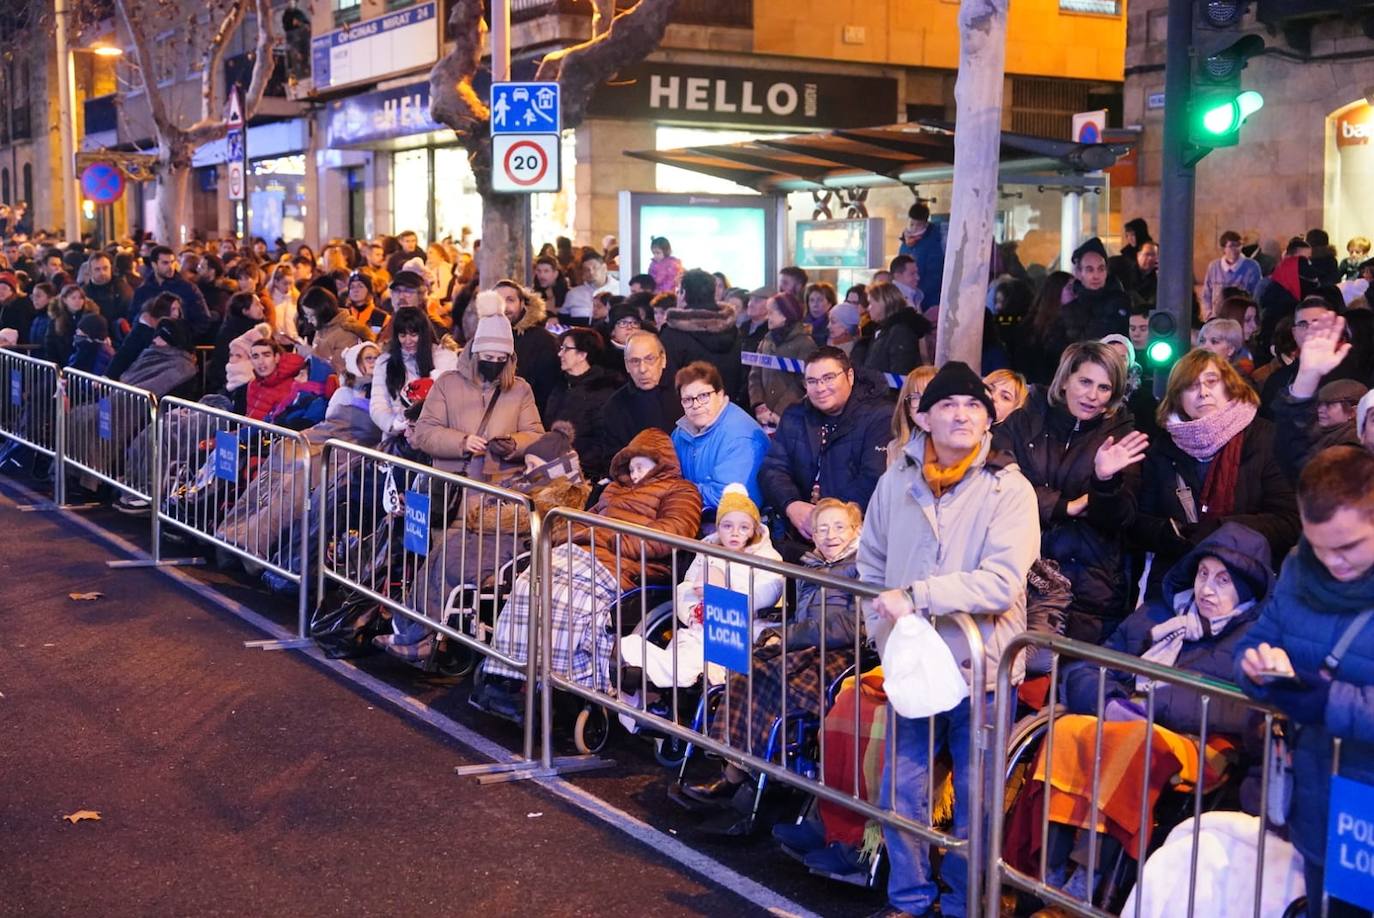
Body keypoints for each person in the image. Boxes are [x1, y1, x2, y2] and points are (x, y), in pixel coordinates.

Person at [858, 360, 1039, 918]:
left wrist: (918, 596)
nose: (962, 414)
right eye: (949, 405)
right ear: (924, 416)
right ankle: (909, 900)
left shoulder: (1009, 486)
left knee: (978, 805)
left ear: (989, 421)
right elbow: (871, 564)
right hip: (914, 667)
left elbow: (1002, 581)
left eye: (974, 407)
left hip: (980, 666)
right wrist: (886, 637)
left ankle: (966, 906)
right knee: (900, 790)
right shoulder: (896, 479)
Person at [1041, 522, 1273, 904]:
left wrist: (1151, 704)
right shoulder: (1160, 615)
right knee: (1067, 729)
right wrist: (1112, 704)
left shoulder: (1256, 640)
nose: (1206, 589)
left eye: (1223, 581)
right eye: (1202, 574)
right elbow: (1090, 666)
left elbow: (1238, 709)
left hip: (1198, 743)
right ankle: (1046, 868)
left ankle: (1090, 876)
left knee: (1133, 743)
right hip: (1124, 721)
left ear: (1247, 590)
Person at [1236, 447, 1374, 918]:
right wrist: (1257, 668)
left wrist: (1330, 702)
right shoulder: (1298, 567)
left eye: (1349, 546)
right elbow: (1255, 640)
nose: (1333, 561)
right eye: (1319, 545)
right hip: (1319, 795)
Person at [479, 428, 702, 703]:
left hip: (626, 566)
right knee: (530, 583)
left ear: (660, 463)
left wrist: (610, 538)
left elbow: (673, 533)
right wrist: (564, 535)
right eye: (630, 468)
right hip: (584, 553)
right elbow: (586, 520)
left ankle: (553, 685)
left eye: (640, 466)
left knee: (566, 600)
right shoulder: (614, 489)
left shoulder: (681, 491)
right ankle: (512, 672)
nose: (633, 475)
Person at [680, 499, 863, 818]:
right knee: (744, 667)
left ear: (856, 530)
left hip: (841, 653)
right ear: (813, 536)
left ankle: (758, 779)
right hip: (806, 643)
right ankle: (735, 771)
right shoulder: (812, 565)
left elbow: (852, 626)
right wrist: (777, 634)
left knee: (771, 682)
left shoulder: (864, 567)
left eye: (839, 527)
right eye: (822, 529)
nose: (830, 535)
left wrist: (788, 636)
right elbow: (801, 617)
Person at [995, 342, 1145, 643]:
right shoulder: (1024, 422)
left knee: (1069, 681)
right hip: (1019, 576)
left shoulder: (1121, 436)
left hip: (1090, 590)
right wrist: (1063, 506)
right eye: (1085, 382)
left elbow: (1123, 517)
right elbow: (996, 483)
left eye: (1104, 388)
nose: (1093, 395)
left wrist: (1104, 481)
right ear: (1065, 380)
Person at [1133, 349, 1300, 599]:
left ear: (1230, 386)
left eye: (1211, 381)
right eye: (1191, 386)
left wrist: (1221, 530)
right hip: (1174, 584)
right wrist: (1167, 534)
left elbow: (1288, 522)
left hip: (1246, 586)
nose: (1203, 392)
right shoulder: (1164, 447)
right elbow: (1139, 520)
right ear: (1178, 398)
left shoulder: (1266, 439)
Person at [621, 483, 784, 695]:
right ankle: (652, 666)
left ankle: (642, 658)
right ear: (718, 527)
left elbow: (766, 594)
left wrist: (720, 594)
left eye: (743, 527)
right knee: (687, 651)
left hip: (738, 631)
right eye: (727, 526)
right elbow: (686, 588)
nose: (735, 533)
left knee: (691, 663)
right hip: (698, 627)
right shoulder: (707, 551)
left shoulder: (769, 558)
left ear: (754, 528)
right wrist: (691, 612)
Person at [759, 347, 891, 559]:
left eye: (828, 378)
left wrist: (827, 518)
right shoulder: (795, 415)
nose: (820, 387)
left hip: (852, 542)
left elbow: (874, 478)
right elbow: (772, 469)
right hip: (796, 536)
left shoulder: (880, 417)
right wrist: (792, 505)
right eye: (811, 381)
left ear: (849, 376)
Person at [410, 297, 543, 482]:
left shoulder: (520, 389)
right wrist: (462, 442)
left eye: (501, 359)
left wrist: (514, 444)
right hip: (455, 484)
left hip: (501, 489)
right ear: (475, 353)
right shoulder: (447, 384)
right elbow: (424, 433)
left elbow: (535, 435)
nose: (494, 363)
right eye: (488, 356)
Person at [1272, 312, 1369, 480]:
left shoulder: (1347, 445)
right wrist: (1307, 376)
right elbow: (1295, 457)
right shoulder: (1343, 457)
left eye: (1330, 404)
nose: (1322, 410)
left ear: (1353, 411)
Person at [672, 361, 770, 514]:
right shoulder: (680, 433)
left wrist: (675, 490)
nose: (696, 405)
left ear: (720, 394)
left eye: (704, 396)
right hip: (693, 513)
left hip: (737, 526)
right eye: (688, 399)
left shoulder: (741, 438)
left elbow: (727, 498)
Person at [368, 305, 458, 442]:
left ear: (423, 333)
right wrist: (394, 424)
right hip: (398, 437)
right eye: (402, 335)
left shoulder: (443, 357)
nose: (408, 341)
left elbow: (452, 400)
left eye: (413, 335)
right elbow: (378, 404)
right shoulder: (384, 362)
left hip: (435, 435)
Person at [543, 326, 621, 482]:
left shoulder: (602, 391)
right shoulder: (561, 385)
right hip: (552, 468)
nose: (560, 354)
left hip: (582, 475)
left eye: (566, 349)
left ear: (582, 354)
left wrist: (574, 464)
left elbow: (602, 442)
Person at [659, 268, 742, 401]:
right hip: (726, 407)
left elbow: (666, 380)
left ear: (684, 293)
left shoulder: (674, 332)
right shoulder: (732, 329)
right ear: (713, 291)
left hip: (688, 411)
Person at [602, 331, 683, 460]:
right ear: (627, 365)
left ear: (663, 360)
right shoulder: (615, 406)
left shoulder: (684, 395)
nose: (643, 369)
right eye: (635, 361)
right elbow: (613, 458)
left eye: (649, 359)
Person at [487, 281, 560, 416]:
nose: (503, 306)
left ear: (522, 304)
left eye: (510, 300)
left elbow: (548, 390)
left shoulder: (542, 340)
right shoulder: (482, 337)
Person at [747, 293, 818, 429]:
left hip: (792, 418)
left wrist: (780, 410)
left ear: (785, 315)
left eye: (771, 313)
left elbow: (803, 383)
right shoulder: (766, 340)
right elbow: (755, 375)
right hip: (764, 418)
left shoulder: (805, 344)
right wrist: (759, 404)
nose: (767, 317)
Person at [1051, 237, 1131, 352]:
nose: (1096, 276)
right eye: (1090, 270)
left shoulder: (1119, 301)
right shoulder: (1069, 301)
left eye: (1101, 269)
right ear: (1078, 273)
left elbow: (1094, 337)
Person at [128, 246, 212, 339]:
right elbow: (134, 317)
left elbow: (203, 319)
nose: (170, 267)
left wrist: (182, 337)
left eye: (172, 262)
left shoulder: (188, 288)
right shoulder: (143, 290)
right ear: (154, 264)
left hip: (178, 345)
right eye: (165, 263)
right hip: (148, 345)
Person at [852, 281, 931, 379]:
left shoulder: (900, 332)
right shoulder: (881, 330)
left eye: (871, 303)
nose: (868, 308)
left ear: (883, 303)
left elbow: (900, 374)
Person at [106, 292, 182, 382]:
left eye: (177, 309)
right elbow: (124, 354)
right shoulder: (140, 332)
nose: (176, 313)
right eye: (173, 309)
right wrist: (108, 376)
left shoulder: (177, 329)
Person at [297, 286, 373, 375]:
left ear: (323, 312)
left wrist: (312, 354)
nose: (309, 321)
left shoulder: (346, 333)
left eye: (312, 316)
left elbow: (341, 371)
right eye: (307, 316)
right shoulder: (323, 327)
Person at [242, 337, 307, 421]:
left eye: (266, 355)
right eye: (255, 357)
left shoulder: (291, 386)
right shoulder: (253, 384)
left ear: (276, 358)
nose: (261, 361)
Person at [1202, 231, 1263, 319]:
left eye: (1238, 245)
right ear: (1223, 249)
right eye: (1231, 246)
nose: (1235, 249)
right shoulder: (1214, 267)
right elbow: (1207, 293)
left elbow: (1257, 294)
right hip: (1217, 317)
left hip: (1241, 316)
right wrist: (1208, 313)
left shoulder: (1252, 267)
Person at [897, 201, 945, 309]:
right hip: (907, 297)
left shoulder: (933, 243)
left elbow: (935, 275)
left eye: (918, 225)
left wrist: (915, 291)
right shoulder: (905, 243)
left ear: (926, 224)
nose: (914, 228)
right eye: (912, 224)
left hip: (928, 299)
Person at [44, 284, 100, 367]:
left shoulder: (91, 319)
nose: (78, 301)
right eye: (73, 298)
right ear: (64, 300)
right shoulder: (56, 320)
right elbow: (50, 346)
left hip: (86, 366)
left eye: (81, 298)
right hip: (63, 365)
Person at [82, 251, 133, 339]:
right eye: (97, 269)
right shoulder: (84, 293)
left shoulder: (122, 289)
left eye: (105, 268)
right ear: (90, 271)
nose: (102, 272)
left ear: (111, 268)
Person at [562, 249, 617, 325]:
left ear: (604, 268)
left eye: (595, 268)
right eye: (586, 269)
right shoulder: (573, 294)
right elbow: (563, 320)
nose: (591, 272)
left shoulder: (619, 289)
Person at [344, 271, 390, 335]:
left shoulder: (382, 317)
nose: (356, 290)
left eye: (360, 286)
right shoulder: (343, 315)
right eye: (352, 287)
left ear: (369, 291)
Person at [0, 271, 36, 345]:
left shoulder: (20, 306)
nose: (1, 292)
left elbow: (23, 329)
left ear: (13, 291)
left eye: (4, 288)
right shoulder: (3, 305)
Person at [803, 281, 837, 346]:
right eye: (812, 300)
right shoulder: (800, 324)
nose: (815, 304)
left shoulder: (833, 326)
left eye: (820, 300)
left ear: (829, 304)